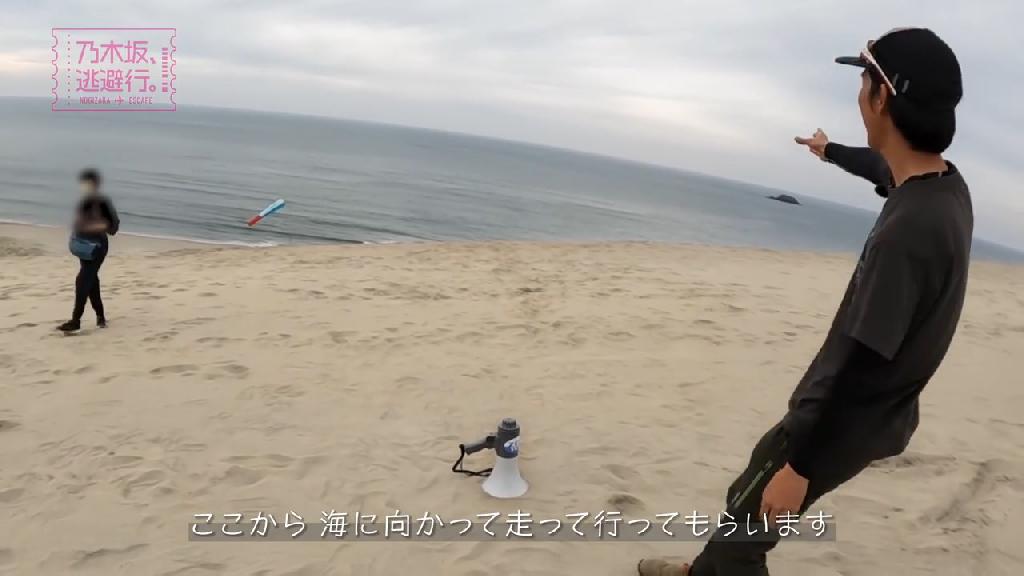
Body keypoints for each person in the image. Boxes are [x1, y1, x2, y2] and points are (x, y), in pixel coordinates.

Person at [639, 27, 971, 575]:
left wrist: (801, 466)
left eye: (864, 80)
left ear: (882, 98)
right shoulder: (943, 187)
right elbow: (884, 168)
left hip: (845, 416)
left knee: (750, 523)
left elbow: (866, 363)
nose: (859, 93)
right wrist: (829, 151)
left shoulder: (908, 232)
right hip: (877, 412)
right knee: (747, 501)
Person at [58, 169, 120, 333]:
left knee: (82, 280)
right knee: (91, 280)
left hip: (96, 248)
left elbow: (113, 228)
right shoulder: (84, 202)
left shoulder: (103, 202)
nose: (85, 186)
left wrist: (96, 225)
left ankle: (76, 320)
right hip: (83, 246)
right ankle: (100, 316)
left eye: (89, 183)